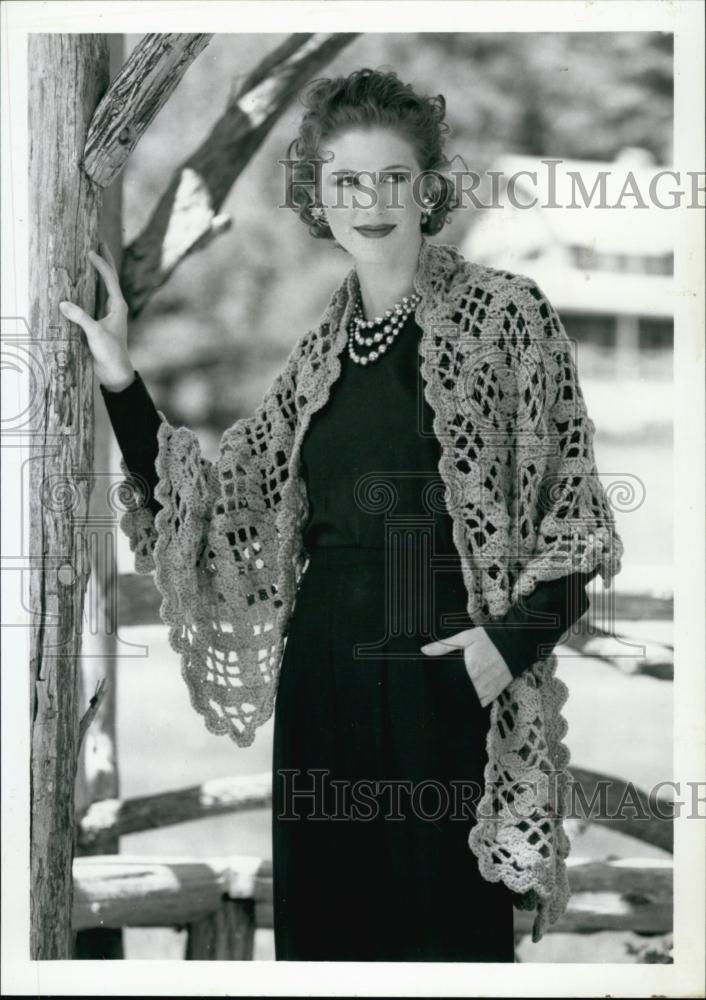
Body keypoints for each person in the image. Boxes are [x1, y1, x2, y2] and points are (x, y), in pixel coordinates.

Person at [59, 68, 618, 962]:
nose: (371, 202)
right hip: (325, 687)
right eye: (346, 181)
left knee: (447, 950)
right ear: (318, 194)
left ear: (428, 188)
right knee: (328, 946)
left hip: (445, 682)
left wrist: (500, 650)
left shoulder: (508, 314)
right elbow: (216, 512)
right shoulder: (323, 346)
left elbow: (580, 520)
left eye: (392, 178)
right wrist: (122, 379)